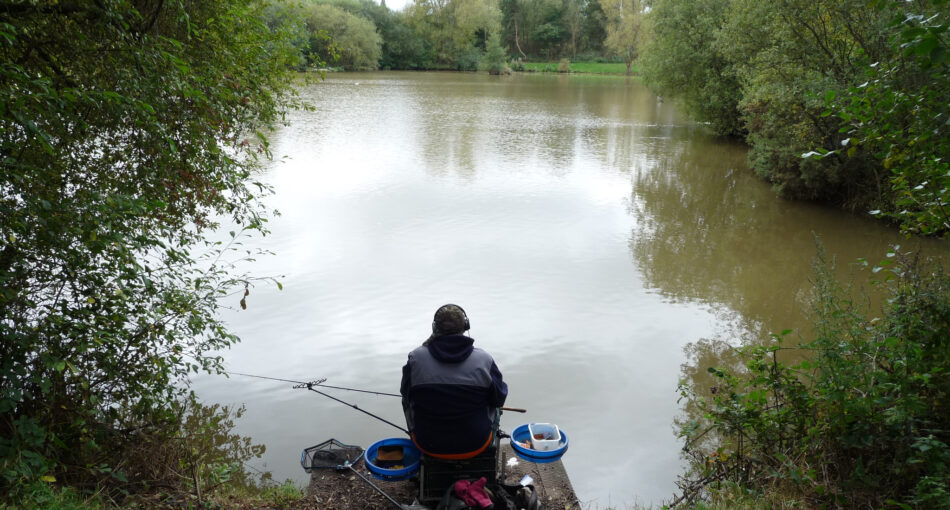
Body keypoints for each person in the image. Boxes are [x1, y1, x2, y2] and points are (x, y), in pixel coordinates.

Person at [400, 304, 508, 459]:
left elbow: (406, 394)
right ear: (465, 326)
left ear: (434, 327)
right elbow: (499, 399)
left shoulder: (416, 358)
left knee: (407, 400)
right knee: (495, 403)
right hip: (477, 443)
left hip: (428, 443)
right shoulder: (484, 360)